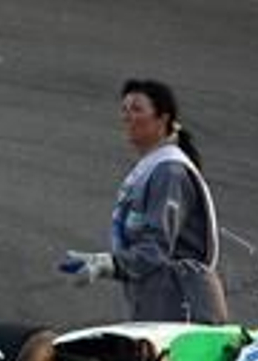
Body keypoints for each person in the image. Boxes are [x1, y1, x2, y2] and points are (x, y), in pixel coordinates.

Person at [59, 79, 228, 324]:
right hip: (159, 301)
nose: (127, 117)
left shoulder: (169, 171)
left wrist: (109, 263)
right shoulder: (151, 168)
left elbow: (156, 248)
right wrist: (105, 261)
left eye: (137, 109)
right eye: (124, 110)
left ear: (162, 119)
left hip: (183, 304)